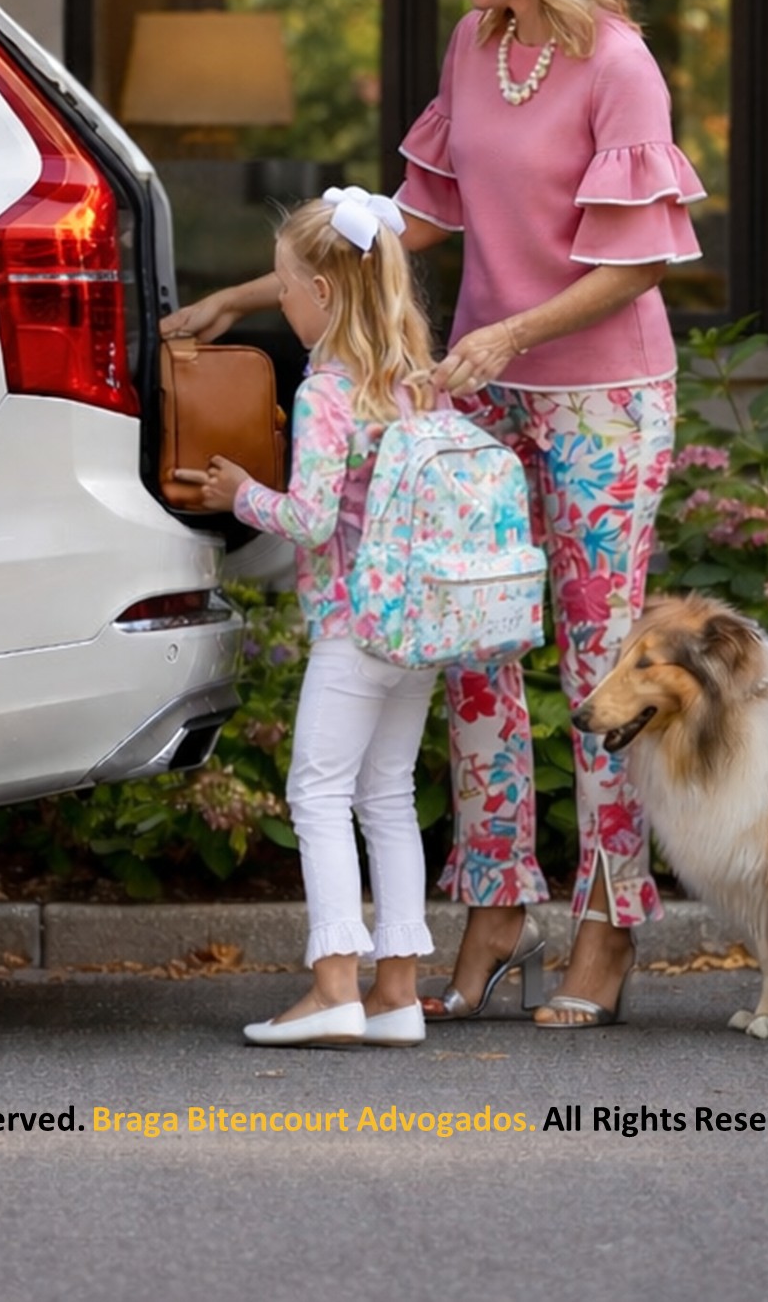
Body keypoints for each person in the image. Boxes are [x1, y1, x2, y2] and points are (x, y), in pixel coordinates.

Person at [172, 0, 705, 1028]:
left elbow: (640, 263)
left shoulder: (620, 65)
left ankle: (608, 926)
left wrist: (512, 338)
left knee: (595, 664)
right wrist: (247, 299)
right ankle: (497, 904)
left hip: (603, 402)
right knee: (469, 657)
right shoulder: (477, 48)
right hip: (473, 400)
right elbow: (400, 227)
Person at [175, 188, 441, 1048]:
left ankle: (333, 986)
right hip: (420, 625)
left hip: (354, 624)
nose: (279, 298)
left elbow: (313, 519)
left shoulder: (330, 386)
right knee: (388, 795)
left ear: (323, 295)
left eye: (286, 284)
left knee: (318, 794)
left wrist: (239, 493)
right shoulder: (413, 383)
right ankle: (397, 991)